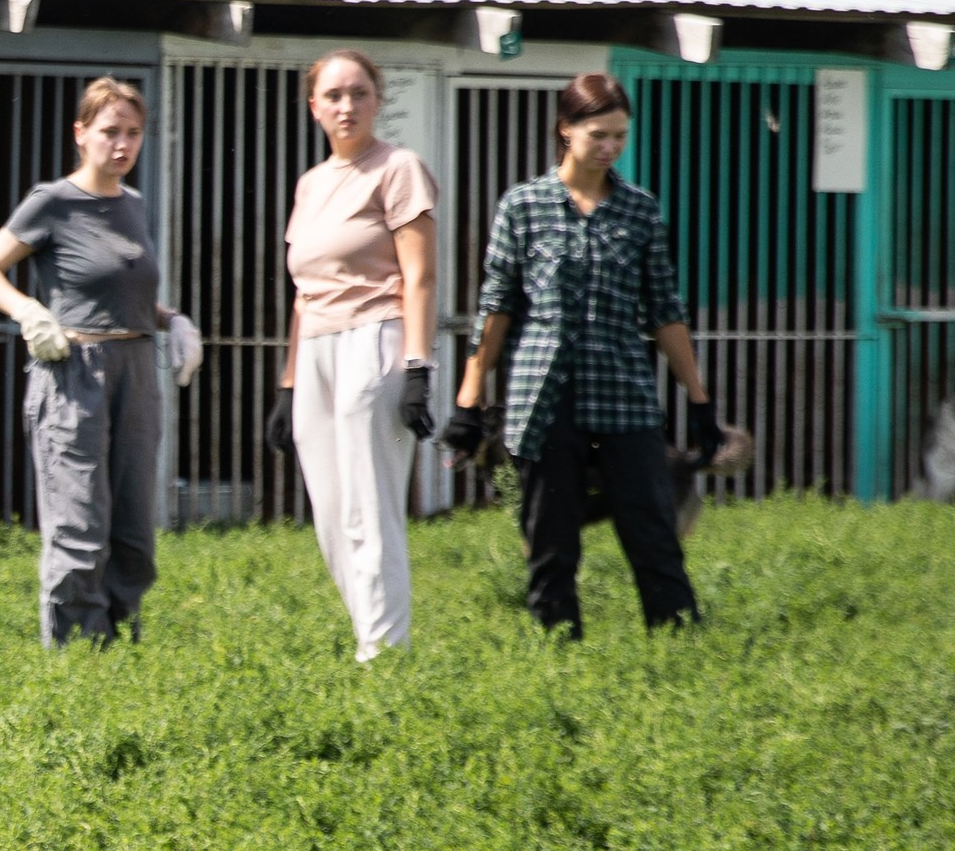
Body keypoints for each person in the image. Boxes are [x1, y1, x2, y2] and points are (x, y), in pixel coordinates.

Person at [445, 68, 721, 639]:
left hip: (624, 396)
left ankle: (682, 657)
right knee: (550, 546)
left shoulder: (640, 211)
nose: (610, 147)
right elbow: (494, 308)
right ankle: (559, 665)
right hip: (542, 400)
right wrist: (469, 402)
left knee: (654, 538)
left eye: (620, 135)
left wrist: (698, 400)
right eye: (598, 134)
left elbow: (665, 311)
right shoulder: (522, 207)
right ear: (565, 131)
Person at [0, 76, 186, 646]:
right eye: (111, 131)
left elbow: (121, 292)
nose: (124, 145)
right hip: (73, 372)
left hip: (136, 372)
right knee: (80, 521)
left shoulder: (132, 204)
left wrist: (171, 321)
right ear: (81, 134)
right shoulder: (53, 201)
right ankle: (74, 655)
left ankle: (120, 639)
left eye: (134, 133)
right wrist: (29, 312)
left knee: (134, 523)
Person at [265, 50, 438, 661]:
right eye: (333, 96)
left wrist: (419, 368)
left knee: (371, 505)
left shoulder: (398, 169)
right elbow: (302, 292)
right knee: (333, 516)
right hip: (314, 347)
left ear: (377, 100)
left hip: (378, 337)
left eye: (359, 93)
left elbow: (419, 276)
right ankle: (373, 637)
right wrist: (288, 385)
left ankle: (386, 657)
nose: (347, 106)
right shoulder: (310, 184)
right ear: (313, 107)